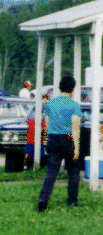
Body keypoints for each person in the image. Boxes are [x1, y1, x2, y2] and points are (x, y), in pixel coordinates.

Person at [38, 75, 81, 211]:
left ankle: (43, 200)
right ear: (72, 89)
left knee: (51, 172)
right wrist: (76, 148)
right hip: (68, 140)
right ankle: (72, 201)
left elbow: (46, 124)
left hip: (53, 139)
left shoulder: (50, 103)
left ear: (59, 87)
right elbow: (75, 127)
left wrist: (48, 138)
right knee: (73, 171)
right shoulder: (74, 105)